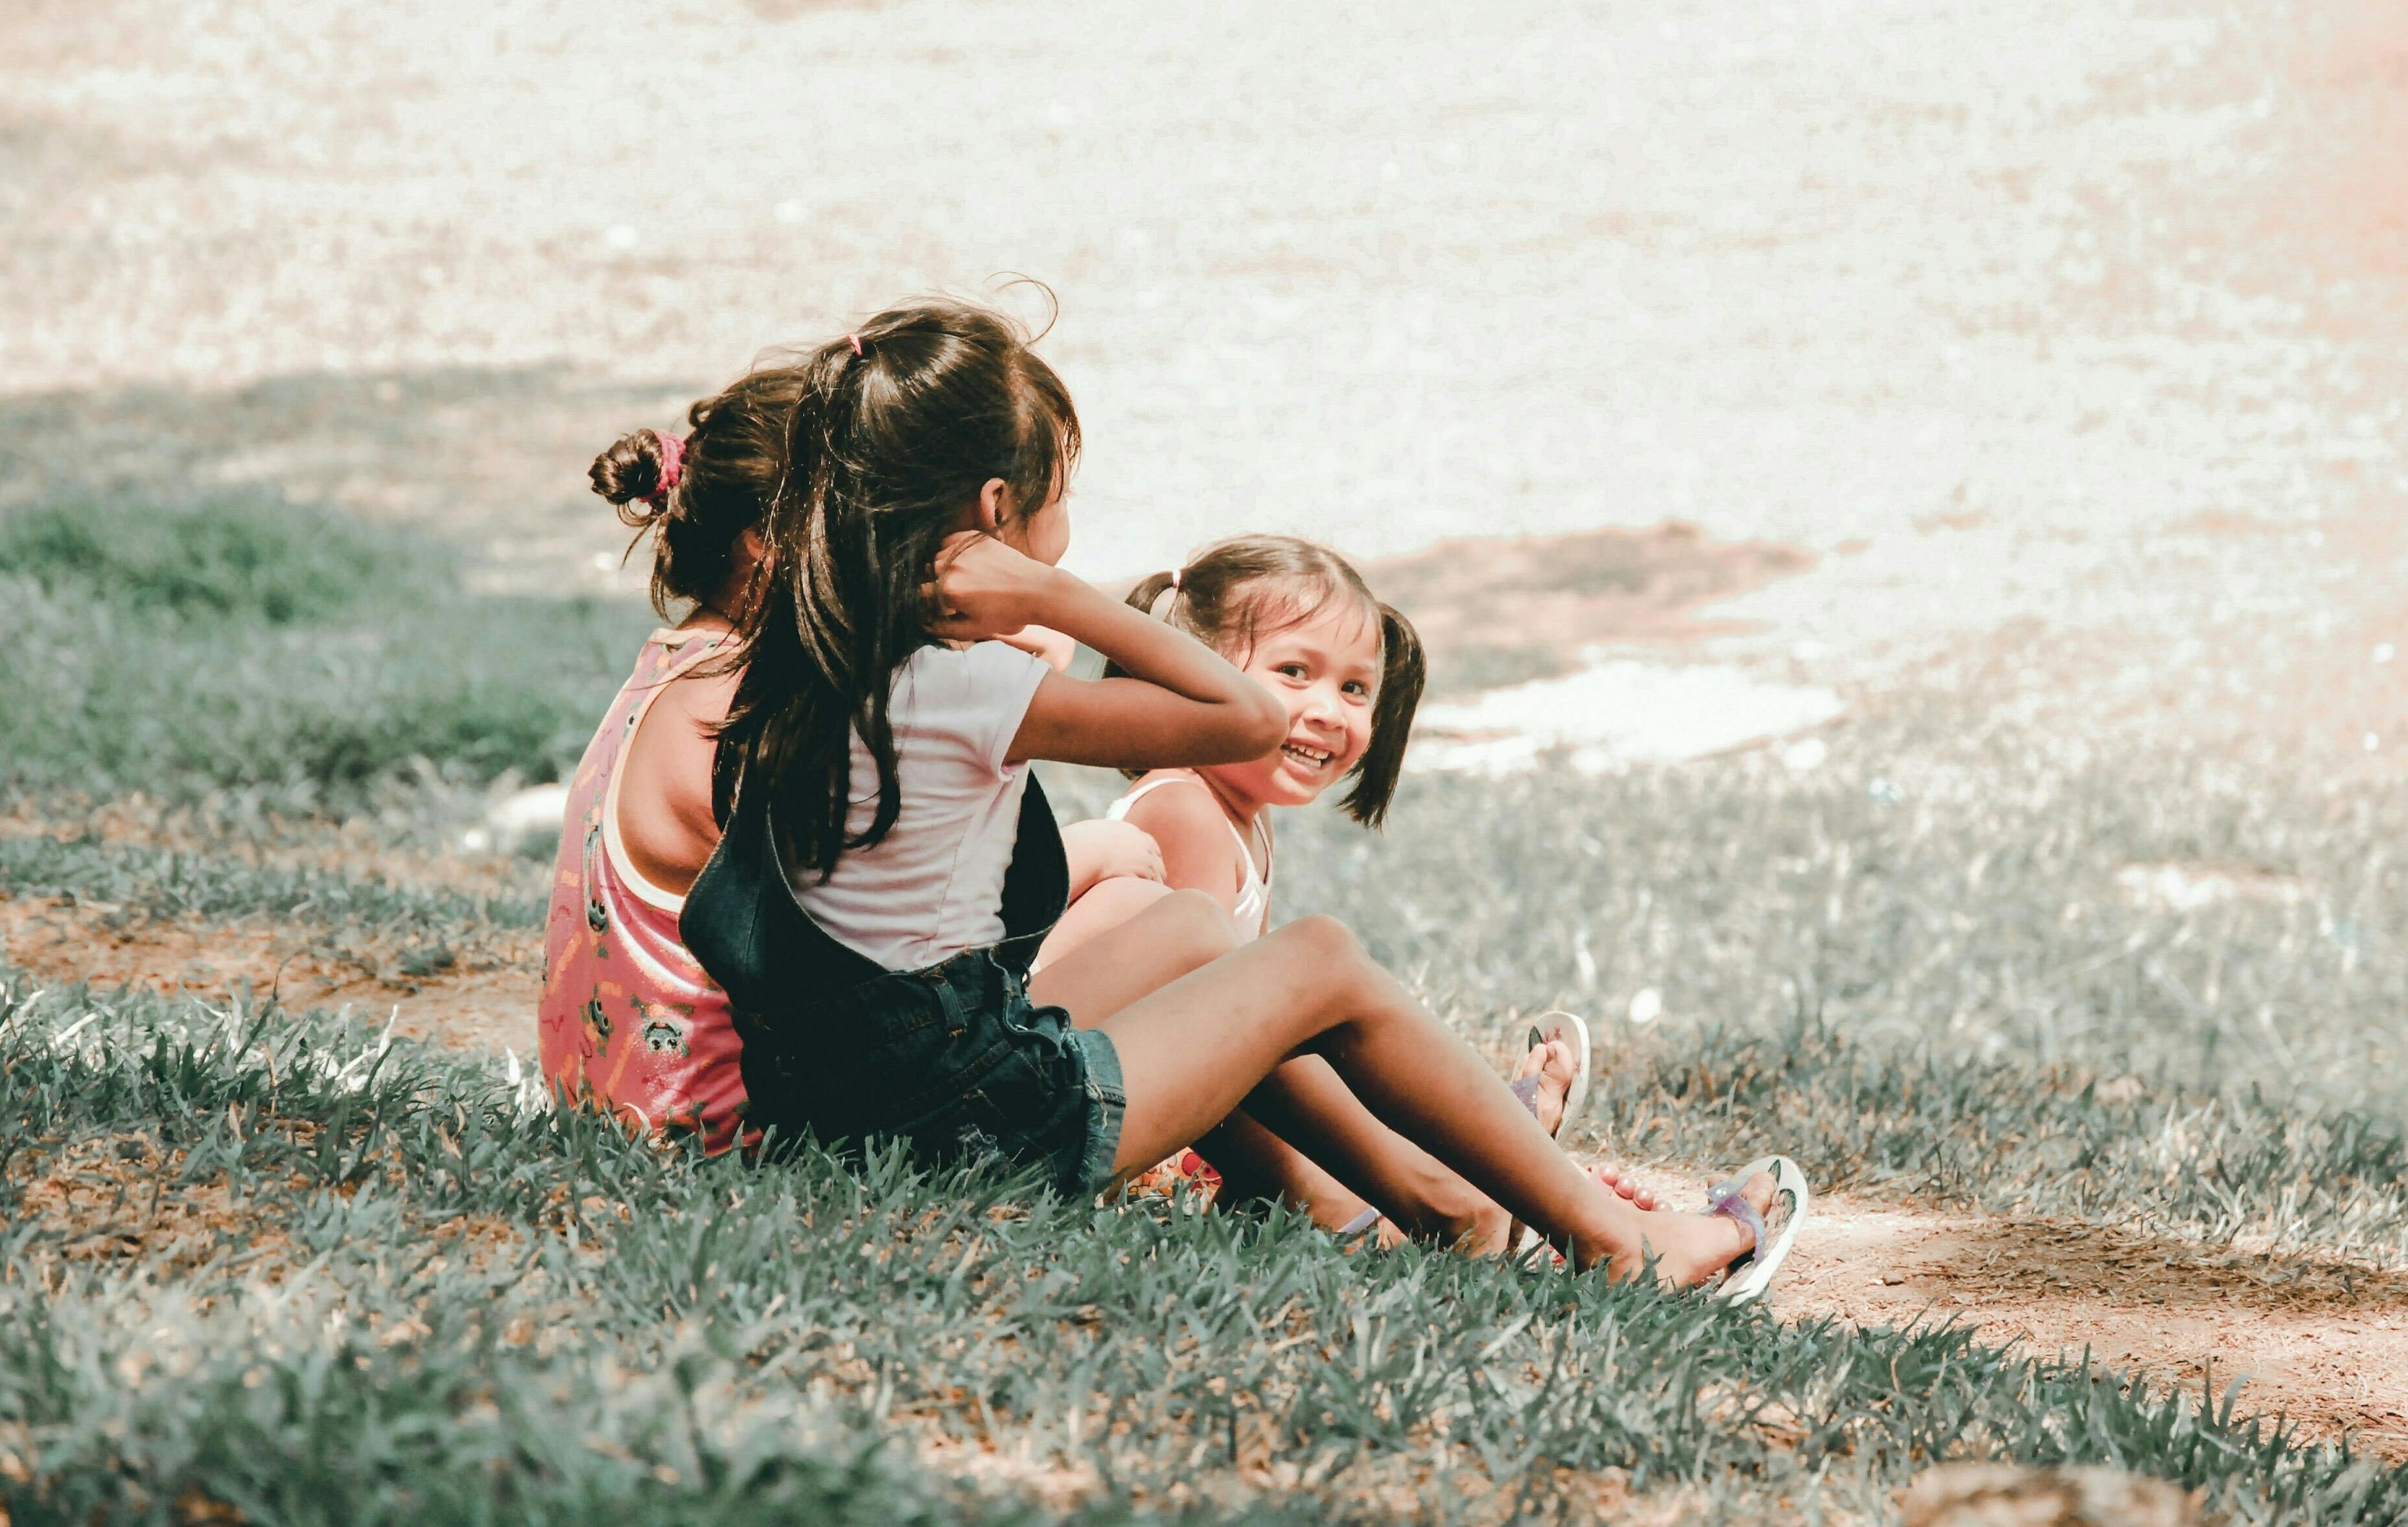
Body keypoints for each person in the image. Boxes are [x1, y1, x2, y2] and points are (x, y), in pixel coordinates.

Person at [678, 296, 1807, 1292]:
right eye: (1056, 502)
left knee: (1186, 929)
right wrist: (1052, 596)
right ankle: (1620, 1244)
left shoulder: (809, 651)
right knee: (1317, 960)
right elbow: (1246, 719)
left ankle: (1444, 1205)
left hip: (840, 1107)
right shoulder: (960, 683)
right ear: (996, 511)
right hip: (963, 1129)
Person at [541, 367, 1196, 1150]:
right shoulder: (757, 710)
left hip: (630, 1106)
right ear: (771, 547)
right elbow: (904, 932)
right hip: (739, 1138)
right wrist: (1090, 849)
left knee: (1146, 917)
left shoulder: (694, 664)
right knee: (1163, 922)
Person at [1036, 536, 1650, 1252]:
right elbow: (1211, 1052)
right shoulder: (1184, 810)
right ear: (1190, 674)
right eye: (1294, 673)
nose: (1330, 710)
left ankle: (1475, 1160)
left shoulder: (1242, 820)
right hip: (1111, 1106)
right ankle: (1420, 1191)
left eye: (1354, 689)